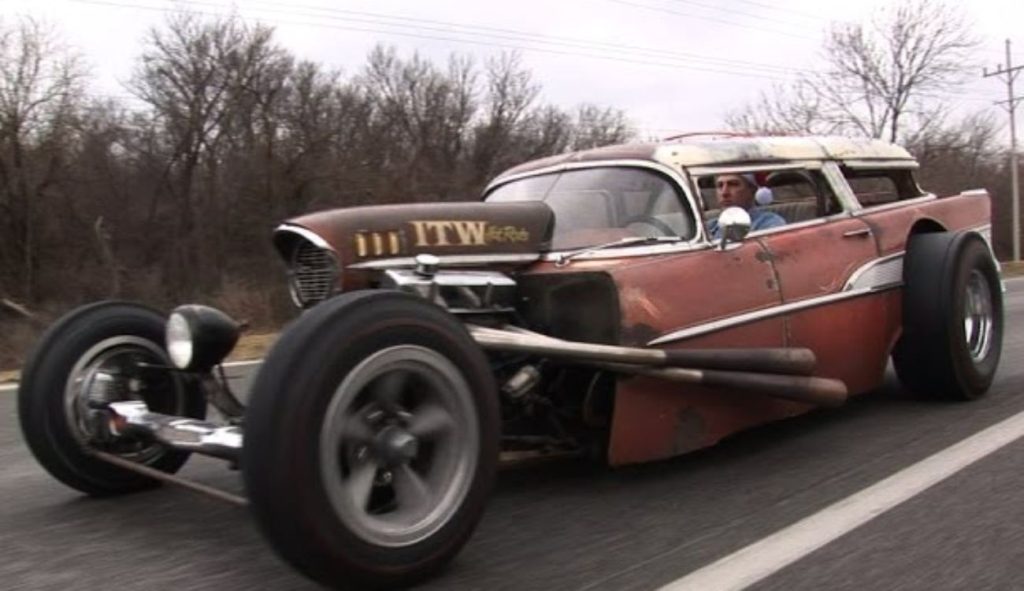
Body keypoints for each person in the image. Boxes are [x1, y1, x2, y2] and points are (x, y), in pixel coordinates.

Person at [706, 173, 786, 239]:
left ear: (752, 190)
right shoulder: (710, 226)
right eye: (720, 185)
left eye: (733, 184)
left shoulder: (770, 224)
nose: (724, 193)